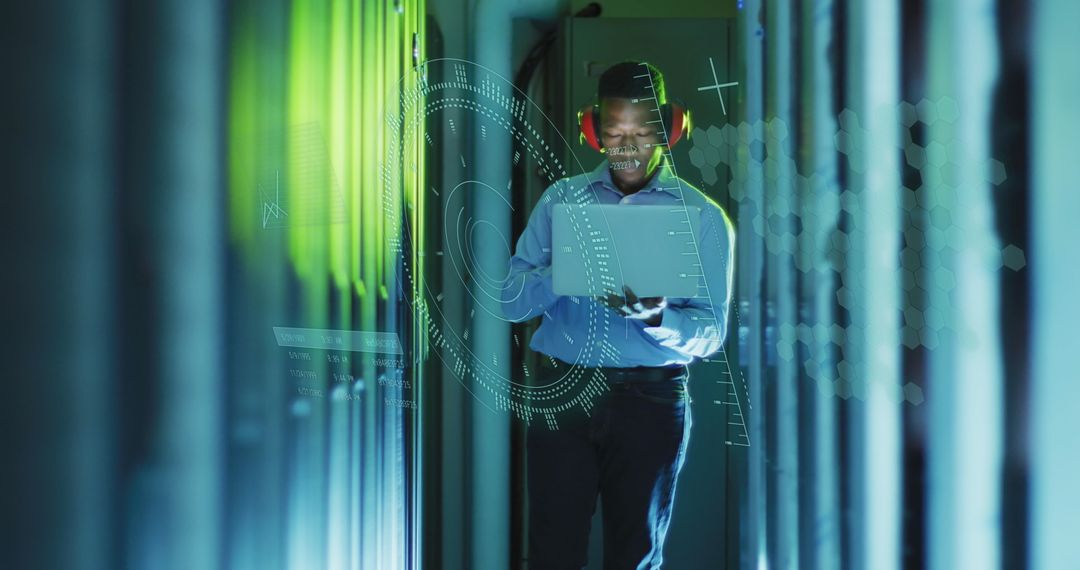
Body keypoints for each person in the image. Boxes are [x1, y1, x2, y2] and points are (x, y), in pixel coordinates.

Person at [501, 61, 736, 569]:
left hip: (651, 401)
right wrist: (564, 269)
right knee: (550, 555)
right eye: (613, 133)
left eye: (642, 132)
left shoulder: (702, 218)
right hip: (562, 393)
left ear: (669, 129)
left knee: (636, 558)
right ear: (593, 131)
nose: (627, 146)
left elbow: (711, 332)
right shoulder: (560, 202)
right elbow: (510, 301)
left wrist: (659, 319)